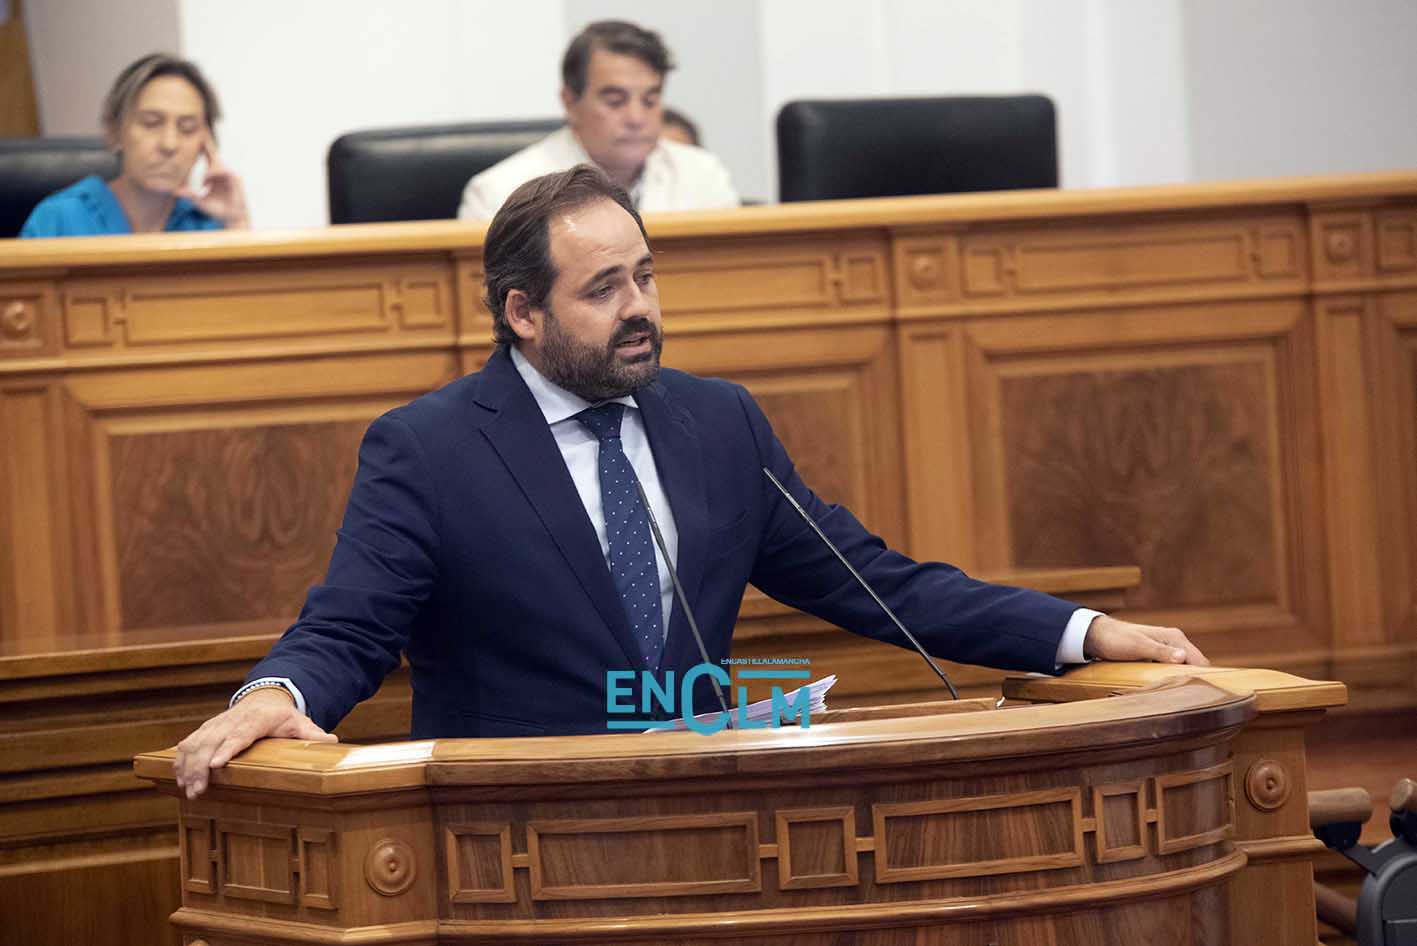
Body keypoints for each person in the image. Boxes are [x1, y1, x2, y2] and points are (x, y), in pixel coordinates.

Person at [174, 165, 1207, 798]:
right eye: (604, 288)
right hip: (511, 836)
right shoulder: (430, 448)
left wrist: (1083, 633)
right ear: (523, 313)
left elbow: (877, 582)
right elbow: (349, 625)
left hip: (709, 815)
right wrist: (273, 695)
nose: (640, 308)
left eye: (646, 276)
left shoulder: (716, 423)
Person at [457, 20, 737, 219]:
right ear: (570, 102)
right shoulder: (499, 194)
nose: (636, 118)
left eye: (650, 100)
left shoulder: (703, 176)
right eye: (615, 101)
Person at [20, 53, 249, 238]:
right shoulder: (59, 219)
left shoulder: (207, 225)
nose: (169, 144)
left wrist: (236, 221)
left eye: (187, 128)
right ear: (114, 129)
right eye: (151, 123)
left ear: (206, 143)